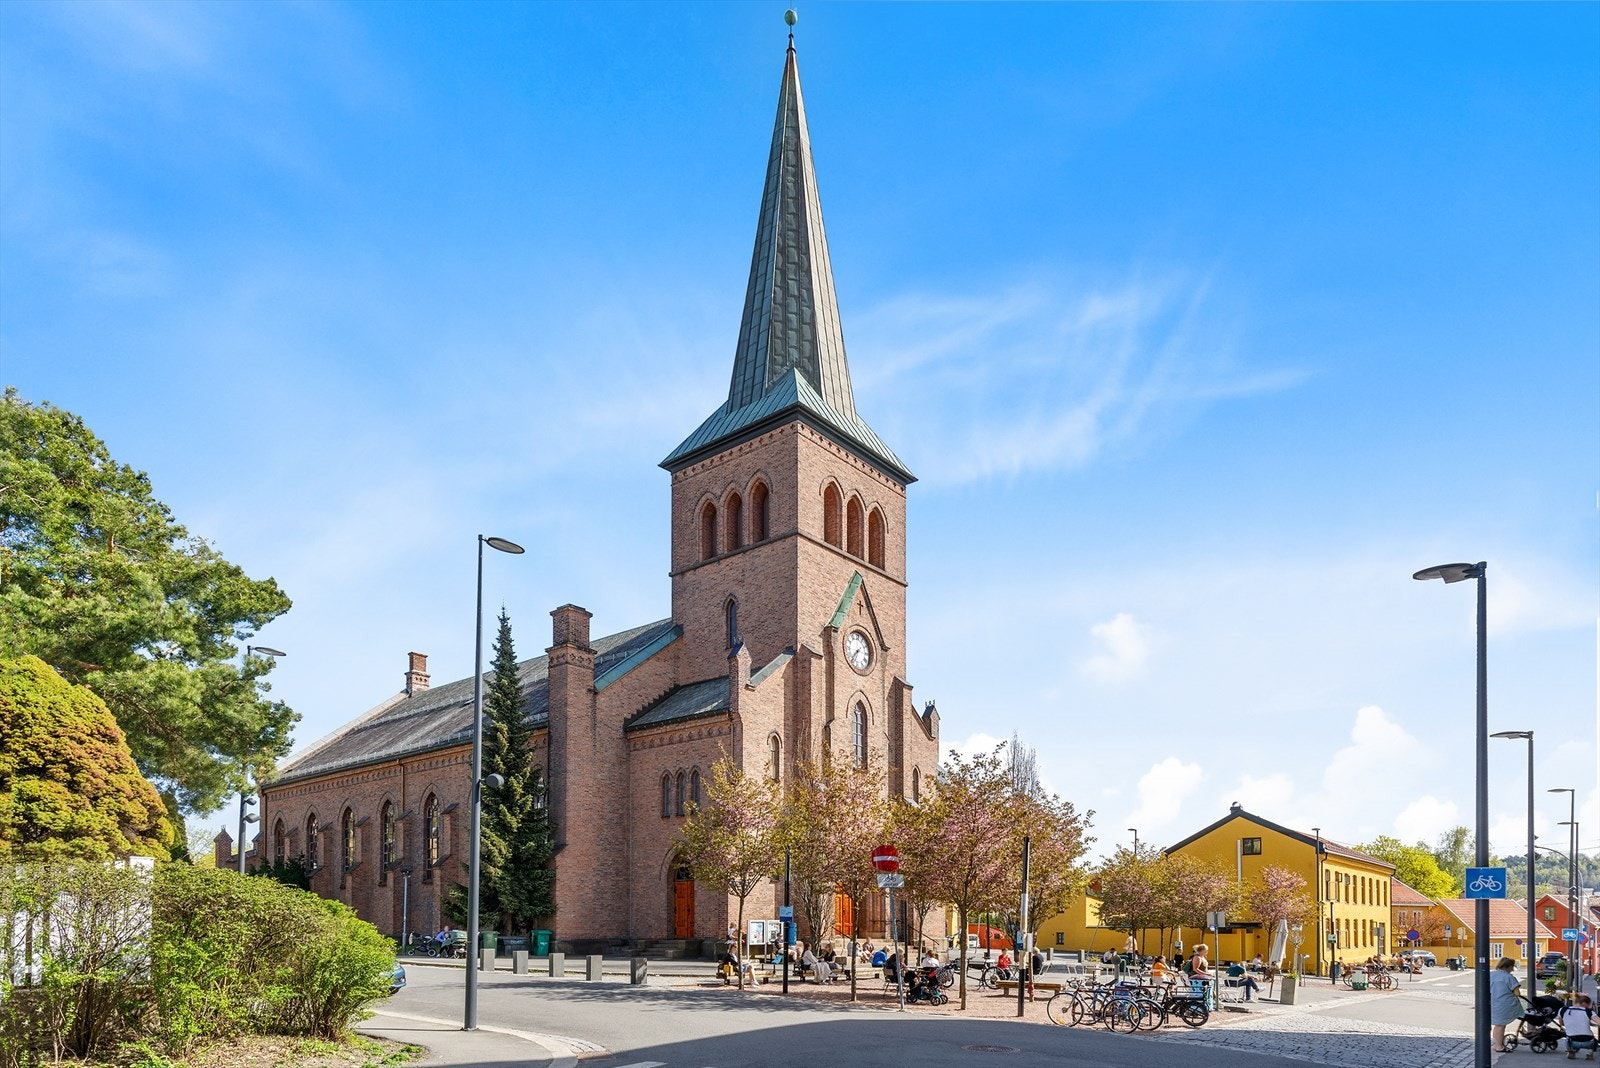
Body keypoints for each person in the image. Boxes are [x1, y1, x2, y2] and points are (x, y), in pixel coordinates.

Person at [1489, 956, 1523, 1053]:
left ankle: (1497, 1044)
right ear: (1508, 966)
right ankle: (1499, 1046)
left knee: (1498, 1025)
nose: (1513, 968)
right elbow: (1517, 993)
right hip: (1505, 1004)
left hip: (1493, 1002)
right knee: (1501, 1025)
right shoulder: (1509, 977)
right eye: (1512, 966)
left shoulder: (1491, 975)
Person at [1562, 994, 1596, 1060]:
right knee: (1592, 1036)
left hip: (1571, 1041)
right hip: (1588, 1041)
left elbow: (1561, 1023)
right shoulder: (1588, 1012)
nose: (1588, 1007)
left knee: (1567, 1036)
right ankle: (1589, 1052)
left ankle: (1571, 1051)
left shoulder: (1563, 1010)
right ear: (1584, 1003)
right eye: (1588, 1005)